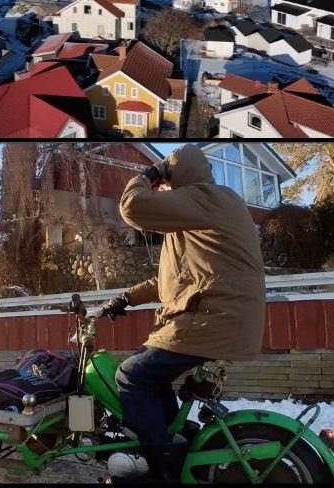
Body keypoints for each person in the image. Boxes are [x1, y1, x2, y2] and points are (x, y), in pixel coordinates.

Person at [101, 144, 266, 482]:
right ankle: (168, 440)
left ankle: (161, 469)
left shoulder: (205, 198)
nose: (162, 190)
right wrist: (124, 299)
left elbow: (131, 206)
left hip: (212, 317)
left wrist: (148, 174)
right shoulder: (201, 213)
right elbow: (170, 279)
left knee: (131, 376)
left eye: (165, 181)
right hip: (216, 315)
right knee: (150, 373)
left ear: (174, 176)